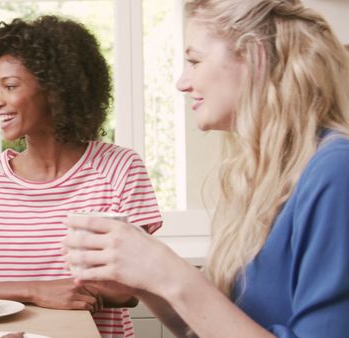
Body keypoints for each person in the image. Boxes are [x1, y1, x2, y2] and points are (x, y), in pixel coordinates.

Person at [63, 0, 349, 337]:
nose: (182, 83)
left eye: (194, 61)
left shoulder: (335, 171)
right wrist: (141, 277)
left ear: (255, 58)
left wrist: (167, 272)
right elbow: (211, 328)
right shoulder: (264, 177)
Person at [0, 15, 163, 338]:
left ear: (55, 90)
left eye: (10, 87)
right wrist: (35, 291)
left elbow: (128, 291)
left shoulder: (120, 169)